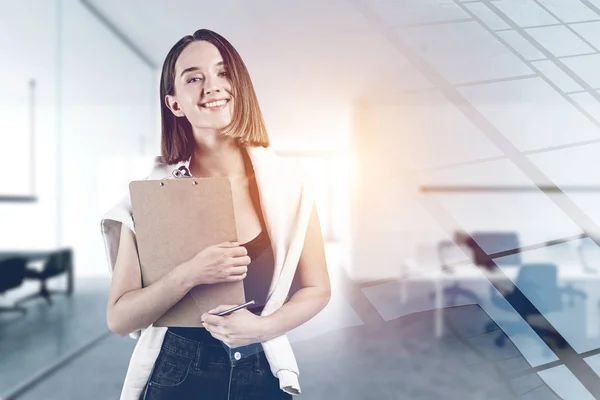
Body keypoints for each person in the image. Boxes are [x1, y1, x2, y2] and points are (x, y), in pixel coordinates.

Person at [100, 29, 331, 399]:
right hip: (177, 372)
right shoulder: (149, 196)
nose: (213, 86)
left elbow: (317, 288)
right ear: (175, 104)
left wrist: (262, 328)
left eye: (223, 73)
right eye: (194, 78)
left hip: (262, 369)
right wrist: (190, 274)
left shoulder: (291, 187)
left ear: (240, 85)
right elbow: (120, 317)